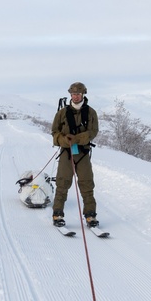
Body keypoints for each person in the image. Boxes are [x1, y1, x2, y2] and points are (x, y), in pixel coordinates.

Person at [51, 81, 100, 227]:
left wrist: (77, 139)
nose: (76, 96)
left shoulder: (91, 113)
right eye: (73, 94)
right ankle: (57, 214)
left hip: (83, 153)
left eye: (78, 94)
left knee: (87, 183)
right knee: (62, 183)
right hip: (67, 152)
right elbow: (55, 132)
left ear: (83, 94)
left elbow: (93, 132)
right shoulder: (62, 113)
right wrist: (65, 140)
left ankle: (90, 215)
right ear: (70, 95)